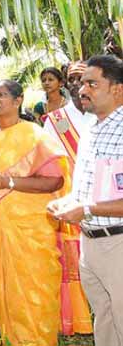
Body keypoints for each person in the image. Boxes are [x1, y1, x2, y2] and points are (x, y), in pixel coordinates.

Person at [0, 79, 70, 346]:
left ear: (18, 100)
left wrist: (11, 182)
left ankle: (32, 338)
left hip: (28, 229)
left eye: (1, 95)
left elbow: (55, 180)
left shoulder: (34, 134)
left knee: (29, 285)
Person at [49, 55, 123, 345]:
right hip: (90, 243)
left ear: (117, 89)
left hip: (118, 244)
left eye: (92, 83)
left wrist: (86, 209)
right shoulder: (92, 128)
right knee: (105, 319)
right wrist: (68, 202)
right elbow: (97, 188)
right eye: (81, 83)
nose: (82, 90)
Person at [41, 62, 95, 336]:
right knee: (72, 259)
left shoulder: (110, 116)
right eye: (73, 79)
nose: (78, 85)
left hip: (106, 202)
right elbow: (49, 163)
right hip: (69, 201)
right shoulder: (56, 120)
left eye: (84, 79)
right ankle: (77, 318)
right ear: (66, 83)